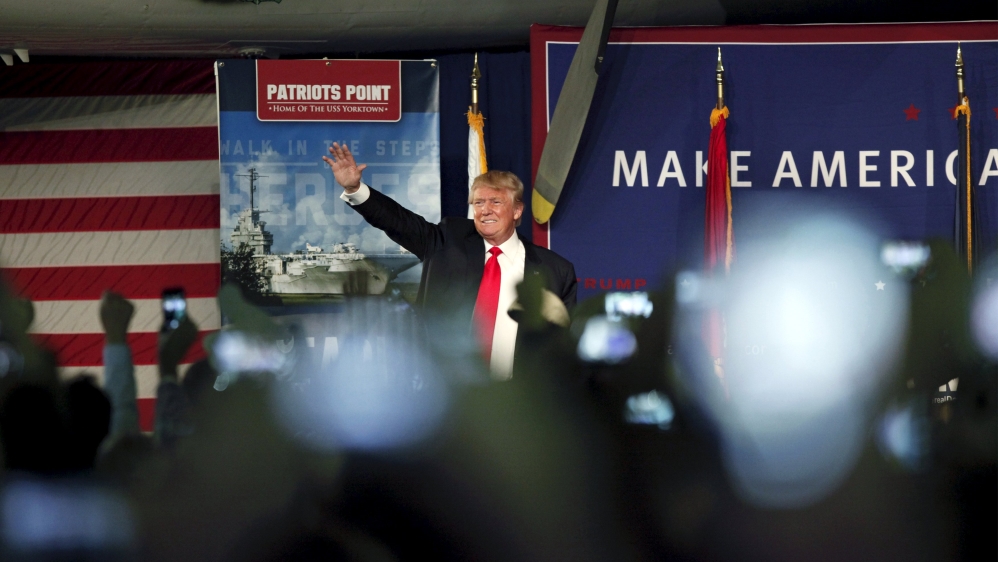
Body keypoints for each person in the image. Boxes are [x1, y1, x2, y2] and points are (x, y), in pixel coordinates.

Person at [323, 143, 577, 379]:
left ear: (517, 210)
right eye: (478, 203)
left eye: (495, 202)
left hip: (518, 404)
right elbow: (397, 221)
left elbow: (562, 349)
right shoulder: (447, 241)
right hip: (446, 401)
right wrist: (355, 189)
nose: (484, 210)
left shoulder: (555, 271)